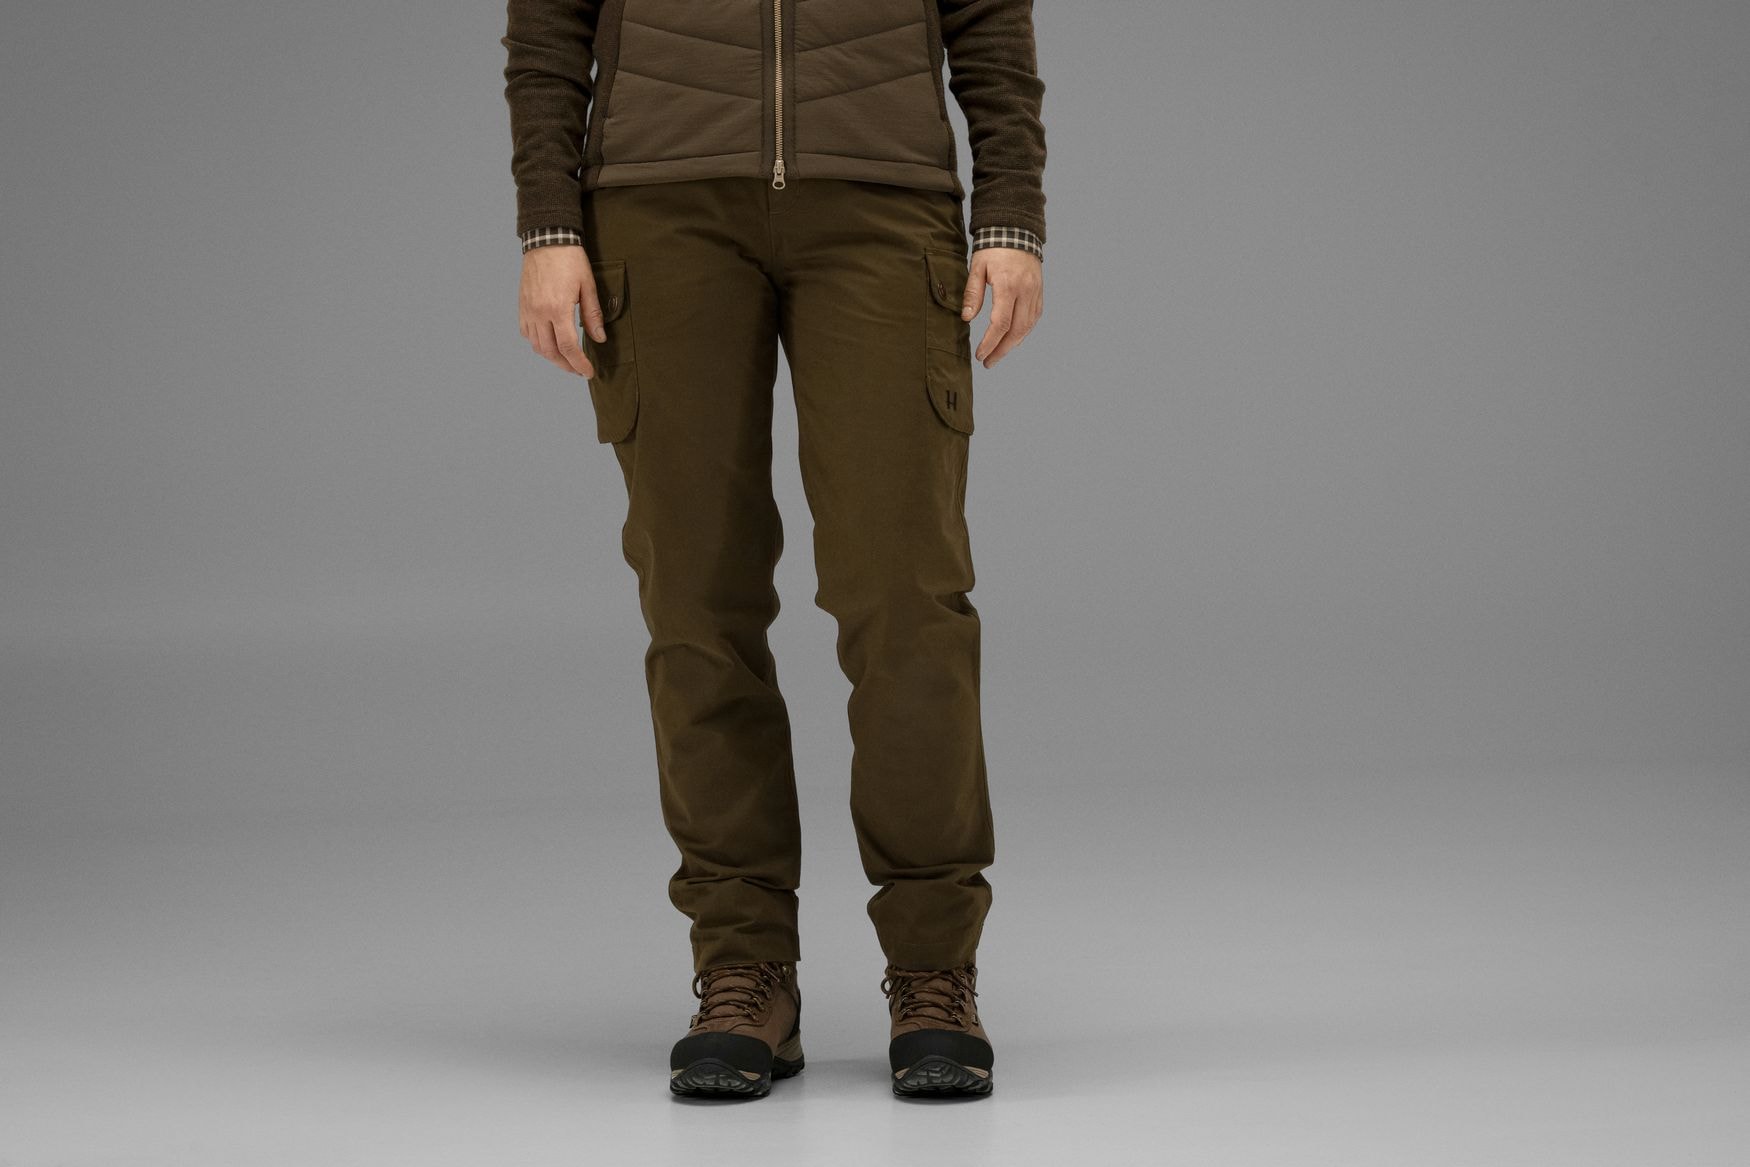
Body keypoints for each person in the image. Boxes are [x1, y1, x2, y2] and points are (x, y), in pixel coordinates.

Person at [501, 0, 1047, 1100]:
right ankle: (743, 970)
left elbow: (990, 20)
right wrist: (549, 226)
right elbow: (549, 26)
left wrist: (1012, 214)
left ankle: (933, 969)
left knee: (907, 599)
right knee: (696, 603)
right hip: (659, 200)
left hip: (883, 199)